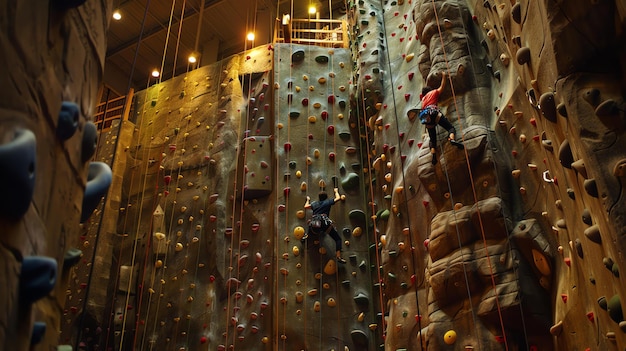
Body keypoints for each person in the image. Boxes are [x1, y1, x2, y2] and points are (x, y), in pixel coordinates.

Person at [407, 71, 463, 165]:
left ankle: (433, 155)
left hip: (427, 120)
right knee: (450, 128)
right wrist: (444, 76)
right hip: (434, 113)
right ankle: (452, 139)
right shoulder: (433, 92)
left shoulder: (423, 100)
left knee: (432, 140)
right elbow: (442, 86)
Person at [303, 188, 346, 263]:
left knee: (312, 226)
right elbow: (338, 198)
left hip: (316, 222)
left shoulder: (314, 204)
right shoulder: (328, 202)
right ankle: (338, 256)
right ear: (326, 198)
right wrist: (336, 191)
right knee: (337, 239)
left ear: (319, 198)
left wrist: (308, 200)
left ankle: (307, 235)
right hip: (324, 223)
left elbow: (306, 207)